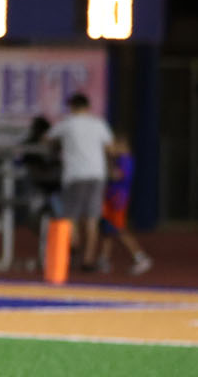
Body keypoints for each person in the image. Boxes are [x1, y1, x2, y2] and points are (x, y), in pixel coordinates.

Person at [45, 92, 113, 273]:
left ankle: (73, 244)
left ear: (73, 107)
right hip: (97, 174)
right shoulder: (98, 124)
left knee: (70, 216)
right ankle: (89, 258)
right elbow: (110, 148)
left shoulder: (67, 124)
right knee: (92, 218)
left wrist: (61, 147)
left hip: (75, 174)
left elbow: (47, 138)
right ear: (88, 107)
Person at [96, 132, 152, 274]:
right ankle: (104, 259)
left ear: (122, 146)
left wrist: (107, 160)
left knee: (119, 230)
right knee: (107, 230)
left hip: (117, 200)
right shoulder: (120, 159)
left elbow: (117, 175)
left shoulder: (125, 159)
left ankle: (140, 257)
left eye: (114, 145)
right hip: (111, 199)